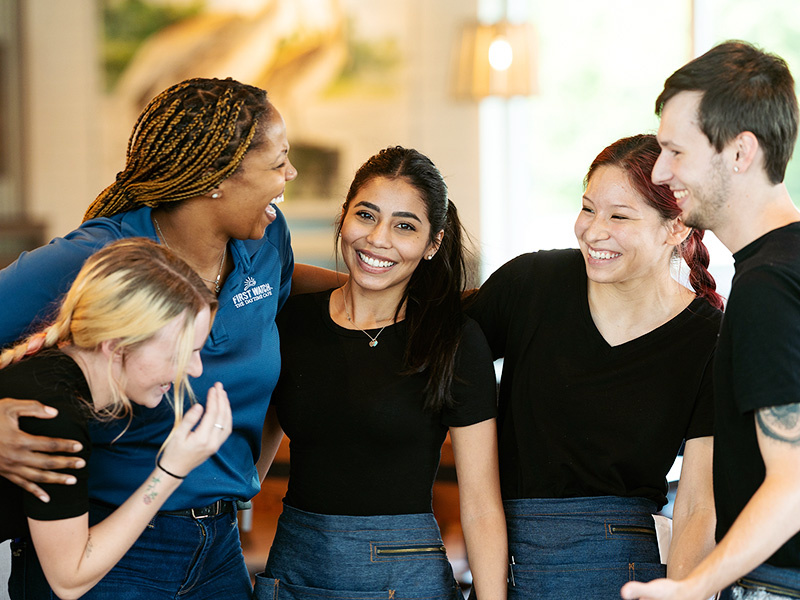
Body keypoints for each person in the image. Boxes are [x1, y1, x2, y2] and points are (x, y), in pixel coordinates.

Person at [0, 77, 338, 598]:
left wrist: (384, 285)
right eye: (278, 162)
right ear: (215, 179)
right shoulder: (99, 257)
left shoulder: (268, 237)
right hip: (104, 550)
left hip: (220, 549)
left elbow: (282, 293)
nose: (290, 174)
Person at [466, 133, 724, 598]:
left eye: (619, 216)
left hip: (625, 568)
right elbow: (432, 349)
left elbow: (697, 506)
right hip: (505, 555)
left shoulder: (709, 337)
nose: (593, 230)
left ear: (677, 227)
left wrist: (681, 594)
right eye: (587, 208)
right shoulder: (532, 284)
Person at [253, 146, 507, 600]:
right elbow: (252, 464)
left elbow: (482, 506)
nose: (378, 239)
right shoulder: (291, 321)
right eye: (366, 215)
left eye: (405, 226)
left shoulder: (454, 339)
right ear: (343, 216)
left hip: (404, 575)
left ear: (433, 244)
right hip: (293, 565)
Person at [621, 41, 800, 600]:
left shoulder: (768, 286)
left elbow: (794, 483)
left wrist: (696, 585)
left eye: (675, 150)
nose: (660, 169)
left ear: (740, 152)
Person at [2, 238, 230, 600]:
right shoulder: (53, 414)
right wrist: (170, 471)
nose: (196, 369)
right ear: (118, 344)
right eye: (183, 353)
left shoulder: (52, 376)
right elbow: (69, 578)